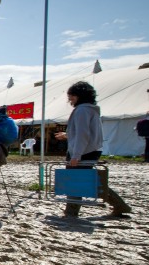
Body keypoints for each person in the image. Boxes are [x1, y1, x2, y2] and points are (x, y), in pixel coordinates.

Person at [54, 81, 131, 218]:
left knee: (76, 181)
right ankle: (120, 205)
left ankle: (71, 212)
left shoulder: (82, 110)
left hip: (84, 151)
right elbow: (83, 132)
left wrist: (76, 155)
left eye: (71, 95)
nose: (69, 99)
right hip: (90, 149)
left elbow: (83, 134)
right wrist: (67, 135)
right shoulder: (90, 109)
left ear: (79, 95)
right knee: (87, 180)